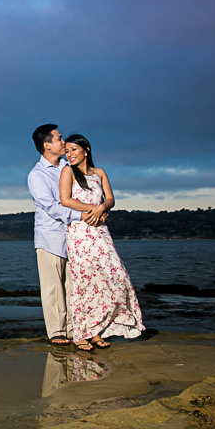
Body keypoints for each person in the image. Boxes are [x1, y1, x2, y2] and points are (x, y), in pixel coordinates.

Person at [58, 133, 144, 351]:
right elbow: (65, 200)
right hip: (80, 233)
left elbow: (111, 199)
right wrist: (92, 209)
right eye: (67, 151)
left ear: (86, 150)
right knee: (86, 282)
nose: (70, 154)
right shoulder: (68, 171)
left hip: (101, 232)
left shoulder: (99, 173)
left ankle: (97, 330)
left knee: (114, 276)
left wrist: (103, 208)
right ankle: (81, 333)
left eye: (73, 150)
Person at [28, 124, 102, 346]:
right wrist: (85, 214)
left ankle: (75, 329)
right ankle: (57, 332)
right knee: (52, 287)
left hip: (76, 236)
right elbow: (52, 207)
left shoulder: (70, 167)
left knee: (75, 285)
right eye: (59, 139)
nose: (64, 143)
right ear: (47, 145)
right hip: (50, 237)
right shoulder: (37, 175)